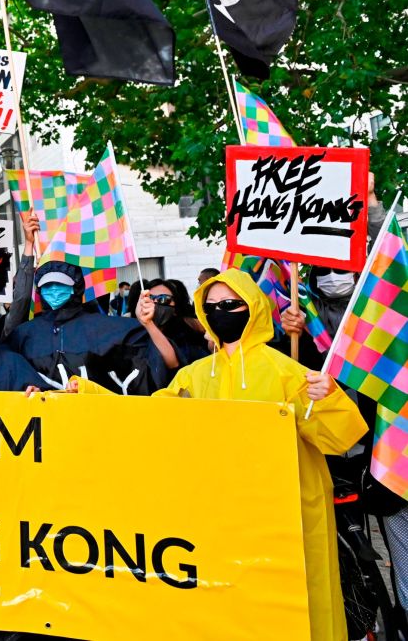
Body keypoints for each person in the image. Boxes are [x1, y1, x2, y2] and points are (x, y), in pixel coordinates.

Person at [78, 268, 367, 641]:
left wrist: (328, 398)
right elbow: (149, 420)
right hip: (221, 520)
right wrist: (85, 396)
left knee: (292, 612)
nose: (221, 311)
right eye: (211, 305)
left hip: (287, 520)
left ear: (254, 308)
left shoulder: (288, 372)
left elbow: (339, 439)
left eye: (231, 304)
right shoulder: (194, 376)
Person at [7, 260, 166, 394]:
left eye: (60, 284)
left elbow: (163, 362)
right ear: (39, 290)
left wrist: (148, 324)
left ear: (75, 287)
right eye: (48, 285)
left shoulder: (107, 327)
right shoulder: (23, 334)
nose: (54, 290)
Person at [134, 278, 210, 370]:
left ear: (175, 309)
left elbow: (173, 365)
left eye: (163, 299)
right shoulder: (131, 336)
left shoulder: (188, 342)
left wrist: (148, 323)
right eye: (149, 298)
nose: (154, 303)